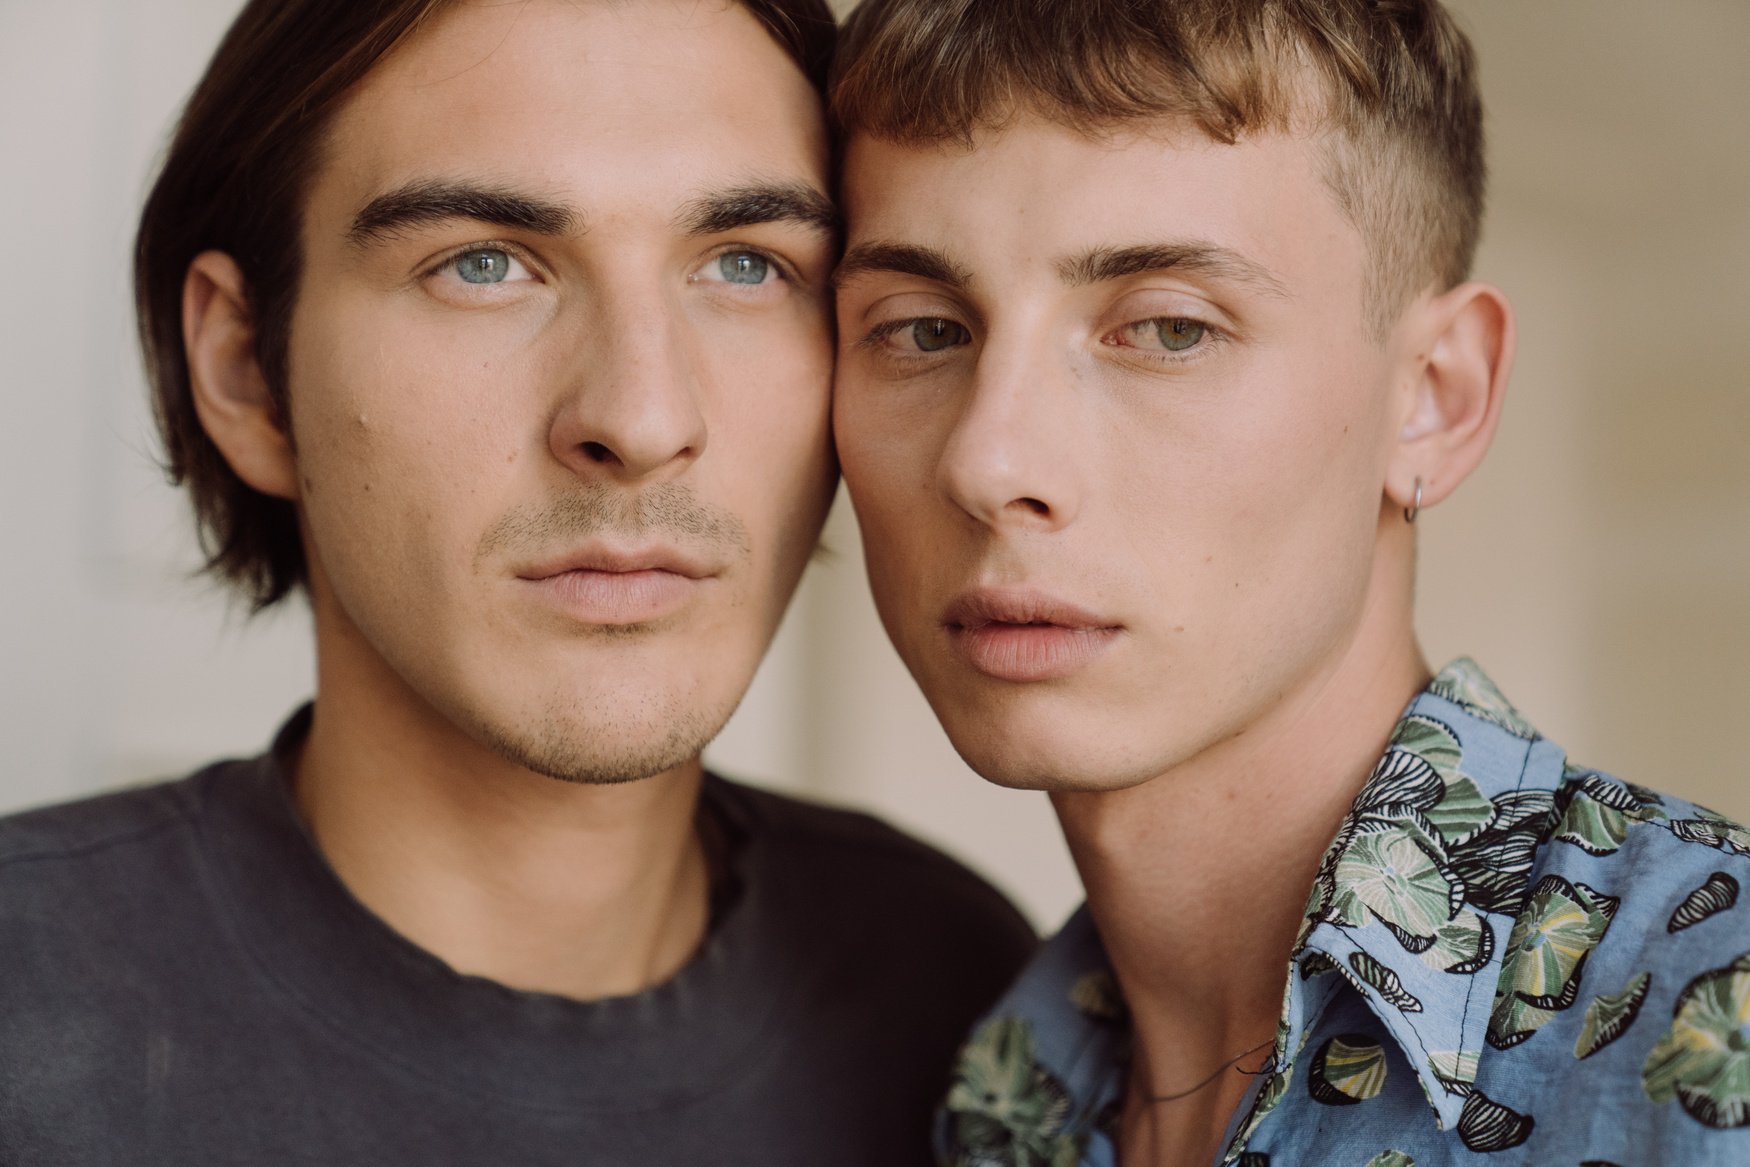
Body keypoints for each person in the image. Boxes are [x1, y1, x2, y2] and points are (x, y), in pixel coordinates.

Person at [0, 0, 1038, 1161]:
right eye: (482, 265)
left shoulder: (963, 987)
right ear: (247, 369)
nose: (641, 418)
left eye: (747, 265)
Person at [827, 0, 1750, 1163]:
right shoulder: (990, 1091)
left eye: (1167, 330)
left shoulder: (1720, 1011)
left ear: (1435, 397)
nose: (988, 461)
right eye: (919, 331)